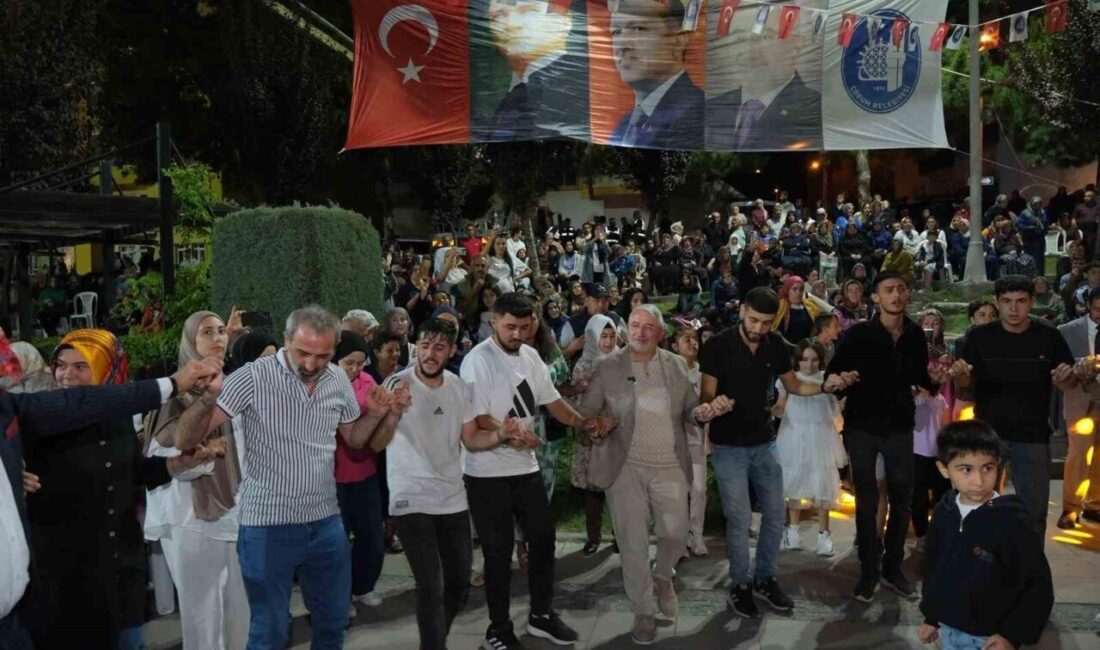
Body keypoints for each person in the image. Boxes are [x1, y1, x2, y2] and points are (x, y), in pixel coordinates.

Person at [172, 306, 399, 649]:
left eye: (322, 356)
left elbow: (354, 439)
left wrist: (377, 414)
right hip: (267, 525)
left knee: (334, 621)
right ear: (286, 340)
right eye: (302, 353)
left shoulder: (337, 379)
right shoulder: (252, 377)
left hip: (325, 523)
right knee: (270, 630)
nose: (310, 365)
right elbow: (184, 440)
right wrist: (207, 398)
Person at [0, 328, 219, 646]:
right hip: (66, 586)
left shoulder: (118, 419)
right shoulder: (35, 422)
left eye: (80, 365)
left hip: (121, 573)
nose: (66, 375)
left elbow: (131, 475)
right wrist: (12, 471)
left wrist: (177, 464)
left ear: (105, 367)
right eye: (61, 365)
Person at [700, 288, 856, 619]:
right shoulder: (717, 345)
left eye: (766, 323)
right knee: (740, 518)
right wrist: (712, 406)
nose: (758, 329)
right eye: (753, 320)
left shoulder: (775, 345)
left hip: (765, 442)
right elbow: (705, 394)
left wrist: (825, 386)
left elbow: (796, 385)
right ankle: (740, 583)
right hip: (728, 445)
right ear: (742, 310)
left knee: (774, 516)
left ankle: (765, 579)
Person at [578, 304, 729, 644]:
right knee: (632, 544)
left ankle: (663, 576)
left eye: (649, 327)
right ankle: (643, 611)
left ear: (661, 334)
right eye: (634, 325)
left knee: (675, 534)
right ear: (626, 329)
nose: (640, 332)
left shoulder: (675, 365)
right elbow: (586, 413)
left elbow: (690, 408)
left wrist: (702, 412)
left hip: (670, 465)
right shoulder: (608, 367)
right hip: (625, 467)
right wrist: (596, 424)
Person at [460, 293, 599, 649]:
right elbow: (478, 417)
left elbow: (553, 403)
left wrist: (584, 423)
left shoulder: (532, 357)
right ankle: (498, 628)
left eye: (524, 327)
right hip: (486, 471)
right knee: (498, 549)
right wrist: (512, 434)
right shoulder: (477, 360)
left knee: (542, 538)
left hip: (525, 467)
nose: (517, 334)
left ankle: (540, 614)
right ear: (494, 322)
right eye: (510, 327)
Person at [365, 318, 509, 650]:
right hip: (410, 495)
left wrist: (502, 434)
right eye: (425, 346)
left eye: (439, 347)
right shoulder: (396, 384)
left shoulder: (459, 388)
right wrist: (394, 414)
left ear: (451, 351)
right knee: (430, 583)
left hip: (451, 496)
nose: (430, 354)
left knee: (458, 581)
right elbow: (375, 444)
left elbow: (471, 440)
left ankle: (434, 640)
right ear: (417, 346)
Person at [824, 272, 939, 603]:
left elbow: (920, 378)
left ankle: (892, 567)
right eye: (889, 290)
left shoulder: (916, 334)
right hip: (862, 426)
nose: (897, 295)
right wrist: (836, 380)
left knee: (903, 498)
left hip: (900, 427)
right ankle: (868, 572)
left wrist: (936, 379)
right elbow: (833, 373)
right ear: (875, 297)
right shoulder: (859, 334)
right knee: (867, 499)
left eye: (902, 289)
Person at [142, 312, 248, 650]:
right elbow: (159, 461)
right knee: (203, 616)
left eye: (221, 331)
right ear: (191, 342)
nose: (217, 337)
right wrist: (199, 458)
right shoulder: (172, 395)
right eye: (207, 332)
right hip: (190, 519)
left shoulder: (233, 387)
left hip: (237, 513)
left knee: (240, 610)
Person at [951, 276, 1080, 539]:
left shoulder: (1049, 336)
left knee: (1033, 514)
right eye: (1007, 302)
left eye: (1021, 301)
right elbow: (965, 384)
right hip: (987, 436)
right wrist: (959, 375)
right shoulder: (980, 337)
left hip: (1032, 436)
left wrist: (1065, 378)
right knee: (979, 508)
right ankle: (983, 566)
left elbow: (1069, 380)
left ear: (1031, 302)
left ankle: (1029, 574)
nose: (1014, 309)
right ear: (998, 303)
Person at [917, 421, 1053, 650]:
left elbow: (1037, 584)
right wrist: (932, 616)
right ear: (943, 469)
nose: (979, 481)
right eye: (966, 469)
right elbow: (934, 567)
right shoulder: (944, 512)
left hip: (990, 638)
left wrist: (1011, 635)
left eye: (987, 468)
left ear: (999, 465)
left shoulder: (1011, 520)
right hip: (948, 629)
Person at [772, 340, 845, 556]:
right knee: (793, 482)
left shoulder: (825, 381)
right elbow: (780, 406)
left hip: (820, 436)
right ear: (798, 359)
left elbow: (833, 411)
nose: (809, 364)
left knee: (822, 484)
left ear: (820, 361)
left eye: (814, 360)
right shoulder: (788, 380)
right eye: (804, 359)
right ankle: (793, 531)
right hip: (793, 434)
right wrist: (771, 409)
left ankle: (824, 535)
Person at [331, 332, 387, 608]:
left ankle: (363, 586)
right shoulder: (325, 384)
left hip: (365, 471)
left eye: (360, 364)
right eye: (348, 363)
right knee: (338, 543)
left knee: (372, 536)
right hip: (332, 478)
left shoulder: (368, 382)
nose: (355, 369)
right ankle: (340, 595)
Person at [607, 0, 703, 149]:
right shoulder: (623, 125)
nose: (622, 44)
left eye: (639, 28)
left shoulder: (698, 114)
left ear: (678, 41)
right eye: (616, 32)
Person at [568, 314, 618, 556]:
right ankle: (593, 537)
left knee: (619, 490)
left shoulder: (623, 360)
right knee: (593, 491)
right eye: (603, 337)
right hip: (590, 436)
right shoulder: (584, 364)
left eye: (611, 336)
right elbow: (577, 403)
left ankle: (621, 537)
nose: (608, 342)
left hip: (618, 435)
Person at [1055, 288, 1100, 530]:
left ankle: (1094, 505)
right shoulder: (1067, 332)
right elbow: (1058, 373)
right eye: (1097, 310)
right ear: (1088, 306)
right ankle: (1070, 508)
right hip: (1081, 402)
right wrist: (1078, 370)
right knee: (1078, 457)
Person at [671, 326, 709, 558]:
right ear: (675, 346)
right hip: (675, 440)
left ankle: (697, 535)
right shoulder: (670, 374)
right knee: (678, 491)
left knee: (699, 489)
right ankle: (679, 538)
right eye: (687, 339)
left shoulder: (704, 375)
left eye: (695, 339)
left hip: (697, 439)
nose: (693, 343)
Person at [772, 276, 819, 343]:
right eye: (794, 289)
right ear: (787, 290)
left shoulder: (810, 307)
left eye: (801, 289)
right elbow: (775, 330)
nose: (798, 292)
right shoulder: (780, 307)